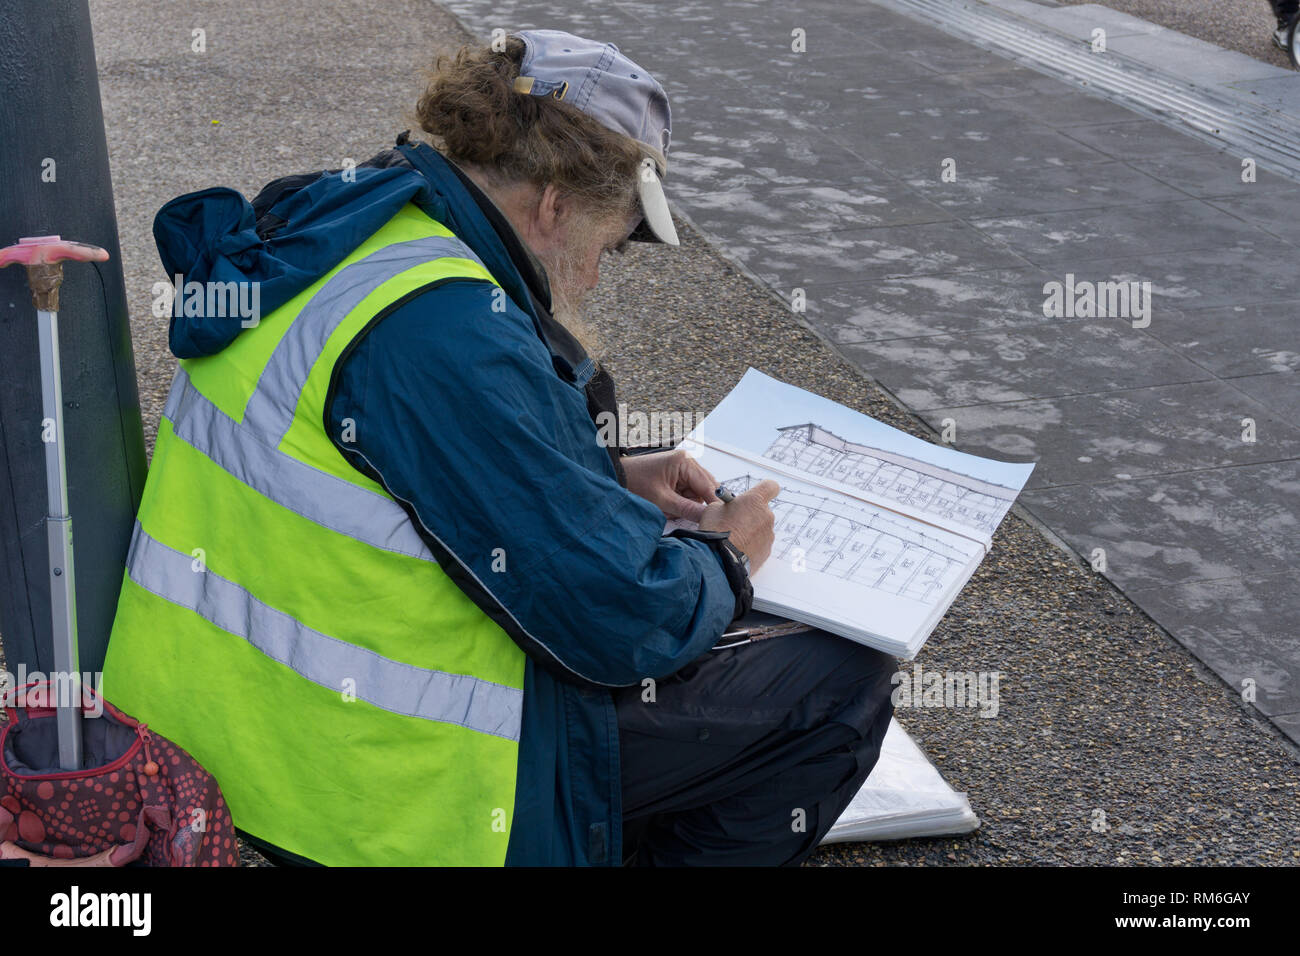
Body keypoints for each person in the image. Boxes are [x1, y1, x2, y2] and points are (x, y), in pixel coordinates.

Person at [101, 28, 895, 866]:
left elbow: (388, 480)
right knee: (838, 681)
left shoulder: (353, 227)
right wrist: (728, 558)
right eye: (612, 243)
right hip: (361, 785)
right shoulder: (446, 331)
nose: (594, 275)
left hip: (216, 725)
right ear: (553, 202)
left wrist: (613, 478)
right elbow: (620, 622)